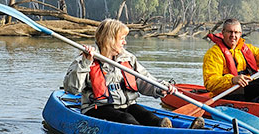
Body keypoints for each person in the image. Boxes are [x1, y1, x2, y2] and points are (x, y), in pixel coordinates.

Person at [64, 18, 205, 128]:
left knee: (149, 116)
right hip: (97, 108)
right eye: (122, 39)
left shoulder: (128, 59)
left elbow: (144, 80)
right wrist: (86, 62)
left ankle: (182, 130)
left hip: (127, 105)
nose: (125, 43)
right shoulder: (85, 60)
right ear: (110, 40)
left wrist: (161, 88)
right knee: (127, 119)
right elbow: (72, 88)